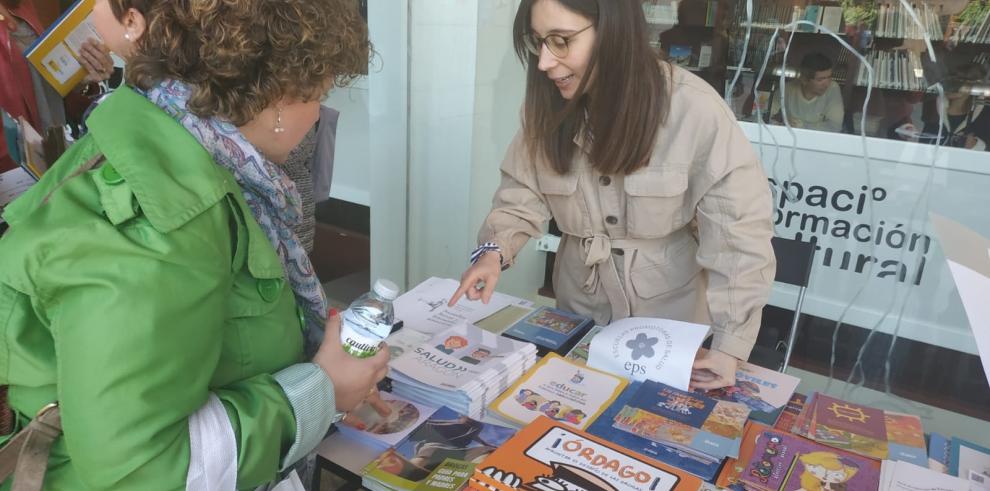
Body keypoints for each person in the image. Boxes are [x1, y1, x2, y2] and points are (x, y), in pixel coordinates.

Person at [0, 0, 388, 488]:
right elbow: (144, 470)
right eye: (318, 94)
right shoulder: (167, 217)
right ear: (276, 94)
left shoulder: (165, 140)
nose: (316, 117)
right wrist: (322, 389)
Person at [449, 0, 775, 390]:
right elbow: (521, 191)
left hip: (672, 323)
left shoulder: (694, 110)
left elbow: (738, 235)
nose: (545, 63)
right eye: (539, 42)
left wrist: (730, 345)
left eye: (561, 41)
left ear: (613, 30)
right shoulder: (546, 107)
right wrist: (492, 252)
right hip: (578, 315)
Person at [0, 0, 115, 171]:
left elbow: (45, 89)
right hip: (14, 174)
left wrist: (82, 79)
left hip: (55, 156)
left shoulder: (21, 5)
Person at [919, 62, 990, 151]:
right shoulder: (934, 107)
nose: (951, 86)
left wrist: (976, 146)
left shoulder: (984, 115)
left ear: (971, 87)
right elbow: (922, 141)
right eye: (951, 81)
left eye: (959, 82)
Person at [774, 52, 845, 132]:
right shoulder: (787, 89)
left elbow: (835, 127)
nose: (827, 84)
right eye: (820, 80)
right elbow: (765, 115)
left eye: (829, 78)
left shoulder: (833, 88)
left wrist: (803, 126)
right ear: (804, 79)